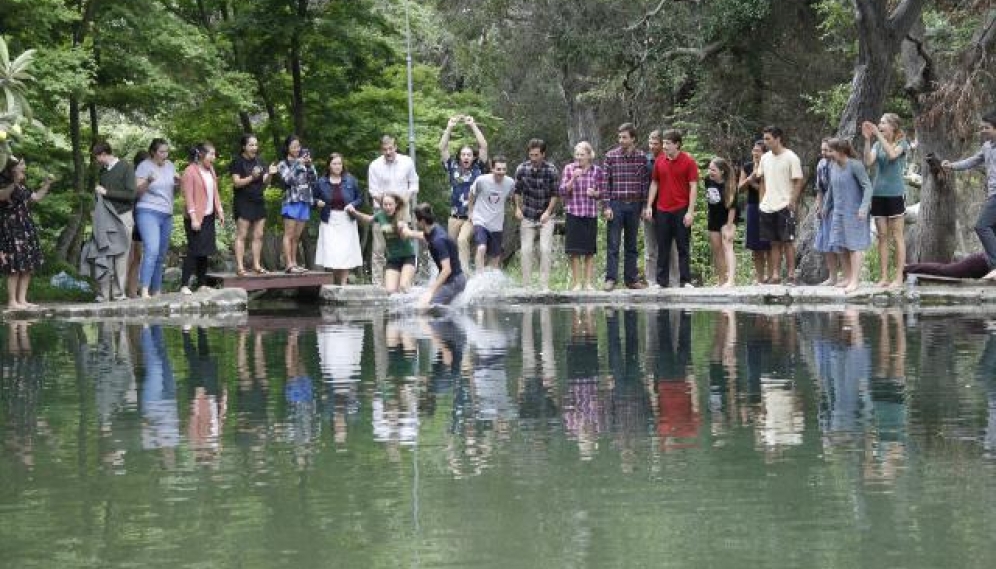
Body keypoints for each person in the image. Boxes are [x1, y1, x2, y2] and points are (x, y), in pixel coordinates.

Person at [942, 109, 996, 280]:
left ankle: (995, 263)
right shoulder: (987, 147)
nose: (983, 131)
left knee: (981, 226)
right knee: (992, 230)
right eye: (981, 128)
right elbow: (972, 161)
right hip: (992, 193)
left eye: (986, 128)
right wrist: (952, 166)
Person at [643, 129, 698, 288]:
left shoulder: (688, 161)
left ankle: (685, 280)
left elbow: (693, 187)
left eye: (668, 143)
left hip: (681, 208)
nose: (664, 146)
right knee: (663, 246)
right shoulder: (660, 161)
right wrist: (649, 206)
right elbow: (655, 183)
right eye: (664, 143)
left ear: (677, 144)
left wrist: (690, 211)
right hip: (662, 209)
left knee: (683, 246)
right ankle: (662, 281)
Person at [862, 113, 912, 287]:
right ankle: (883, 277)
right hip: (878, 195)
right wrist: (868, 140)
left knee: (897, 235)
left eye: (882, 123)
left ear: (893, 126)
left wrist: (877, 134)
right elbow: (868, 162)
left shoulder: (902, 144)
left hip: (896, 194)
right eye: (879, 122)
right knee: (882, 236)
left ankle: (898, 277)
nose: (879, 125)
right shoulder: (877, 144)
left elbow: (892, 155)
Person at [753, 126, 803, 285]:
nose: (765, 142)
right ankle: (775, 275)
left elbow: (798, 180)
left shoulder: (791, 157)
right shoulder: (765, 158)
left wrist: (793, 200)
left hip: (785, 205)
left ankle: (791, 275)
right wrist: (762, 201)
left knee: (788, 241)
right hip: (768, 205)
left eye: (768, 139)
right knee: (773, 242)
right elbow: (762, 180)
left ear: (778, 138)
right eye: (765, 138)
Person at [0, 157, 52, 310]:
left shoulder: (23, 186)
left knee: (27, 265)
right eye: (21, 164)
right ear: (12, 168)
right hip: (11, 228)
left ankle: (22, 300)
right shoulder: (5, 184)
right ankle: (12, 301)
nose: (25, 166)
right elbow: (2, 196)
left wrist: (46, 185)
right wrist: (14, 182)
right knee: (15, 266)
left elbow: (35, 198)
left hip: (25, 227)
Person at [602, 123, 649, 291]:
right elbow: (605, 184)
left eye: (624, 137)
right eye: (619, 137)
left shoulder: (641, 157)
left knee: (632, 244)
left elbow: (644, 184)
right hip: (616, 204)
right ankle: (611, 279)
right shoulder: (611, 156)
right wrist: (606, 206)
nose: (621, 140)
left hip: (635, 204)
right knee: (613, 243)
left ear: (633, 138)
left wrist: (644, 206)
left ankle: (631, 279)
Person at [368, 135, 419, 286]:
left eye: (391, 148)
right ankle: (377, 285)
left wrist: (403, 202)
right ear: (381, 150)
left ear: (395, 147)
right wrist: (387, 206)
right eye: (385, 149)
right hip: (381, 210)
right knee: (379, 250)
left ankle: (407, 284)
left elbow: (414, 184)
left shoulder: (407, 161)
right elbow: (373, 191)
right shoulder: (375, 165)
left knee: (404, 246)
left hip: (402, 210)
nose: (388, 152)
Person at [439, 115, 488, 271]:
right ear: (459, 157)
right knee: (451, 248)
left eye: (469, 154)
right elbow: (442, 148)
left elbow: (483, 146)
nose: (466, 157)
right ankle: (450, 276)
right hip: (454, 216)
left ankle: (465, 274)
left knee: (462, 240)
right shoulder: (452, 166)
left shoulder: (478, 168)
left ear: (473, 157)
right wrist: (449, 127)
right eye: (463, 154)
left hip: (471, 216)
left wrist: (473, 126)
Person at [90, 141, 137, 302]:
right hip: (106, 218)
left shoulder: (126, 167)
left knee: (121, 255)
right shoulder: (103, 172)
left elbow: (131, 194)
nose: (97, 161)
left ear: (104, 154)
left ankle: (118, 294)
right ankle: (103, 294)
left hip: (123, 216)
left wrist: (107, 192)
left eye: (97, 157)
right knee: (104, 253)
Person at [826, 137, 873, 293]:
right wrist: (826, 207)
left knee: (854, 246)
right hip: (838, 211)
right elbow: (831, 189)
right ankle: (847, 277)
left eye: (831, 151)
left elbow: (867, 187)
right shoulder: (833, 166)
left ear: (840, 151)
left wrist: (864, 207)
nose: (828, 154)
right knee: (841, 245)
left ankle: (855, 281)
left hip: (855, 211)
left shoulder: (855, 165)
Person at [179, 142, 226, 294]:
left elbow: (215, 193)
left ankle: (201, 283)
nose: (213, 158)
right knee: (194, 250)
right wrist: (193, 218)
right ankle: (184, 285)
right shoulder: (189, 171)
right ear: (201, 155)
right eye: (211, 154)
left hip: (209, 215)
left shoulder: (211, 170)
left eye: (214, 154)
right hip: (195, 216)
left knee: (205, 250)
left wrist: (220, 210)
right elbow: (188, 197)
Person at [513, 139, 559, 290]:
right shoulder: (522, 169)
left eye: (536, 155)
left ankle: (544, 285)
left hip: (546, 214)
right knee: (526, 250)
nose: (533, 158)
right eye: (531, 154)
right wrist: (518, 209)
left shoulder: (551, 170)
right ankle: (527, 285)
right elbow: (517, 192)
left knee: (545, 249)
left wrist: (547, 212)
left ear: (543, 154)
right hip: (528, 213)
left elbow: (555, 194)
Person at [347, 193, 416, 294]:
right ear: (382, 205)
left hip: (408, 257)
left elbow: (406, 231)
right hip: (393, 259)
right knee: (390, 291)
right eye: (385, 204)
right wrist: (354, 212)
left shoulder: (402, 215)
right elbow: (368, 219)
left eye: (390, 204)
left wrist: (402, 229)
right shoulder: (380, 215)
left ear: (396, 204)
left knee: (403, 287)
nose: (388, 207)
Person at [134, 139, 177, 298]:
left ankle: (156, 290)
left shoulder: (170, 165)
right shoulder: (144, 166)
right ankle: (144, 289)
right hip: (147, 210)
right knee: (151, 249)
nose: (165, 155)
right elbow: (137, 191)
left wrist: (178, 184)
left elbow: (172, 192)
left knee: (161, 253)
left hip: (166, 213)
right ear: (153, 152)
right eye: (161, 152)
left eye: (167, 152)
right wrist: (148, 181)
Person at [230, 134, 277, 276]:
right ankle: (240, 267)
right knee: (242, 235)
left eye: (256, 145)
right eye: (251, 145)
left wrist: (270, 174)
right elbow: (236, 183)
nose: (254, 148)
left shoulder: (260, 160)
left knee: (259, 235)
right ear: (244, 146)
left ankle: (257, 265)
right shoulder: (237, 162)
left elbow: (266, 182)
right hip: (243, 200)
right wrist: (252, 177)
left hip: (258, 200)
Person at [560, 141, 604, 291]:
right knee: (574, 251)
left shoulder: (597, 171)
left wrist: (595, 193)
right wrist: (573, 179)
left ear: (589, 155)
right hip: (573, 213)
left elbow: (603, 193)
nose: (579, 157)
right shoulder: (569, 168)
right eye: (577, 154)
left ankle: (589, 283)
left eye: (582, 155)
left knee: (589, 251)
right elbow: (562, 191)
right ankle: (577, 283)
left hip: (590, 214)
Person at [314, 153, 363, 284]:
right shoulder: (321, 182)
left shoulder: (351, 180)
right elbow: (312, 199)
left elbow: (360, 198)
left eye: (339, 164)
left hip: (346, 219)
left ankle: (343, 283)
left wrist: (353, 204)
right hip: (329, 219)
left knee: (345, 252)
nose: (337, 166)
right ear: (329, 166)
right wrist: (317, 202)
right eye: (334, 164)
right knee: (333, 253)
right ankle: (335, 281)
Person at [277, 135, 317, 274]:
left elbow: (314, 179)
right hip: (291, 201)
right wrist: (297, 165)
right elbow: (288, 180)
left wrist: (309, 165)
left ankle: (294, 263)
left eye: (298, 146)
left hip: (305, 200)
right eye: (293, 146)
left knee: (297, 236)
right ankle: (288, 264)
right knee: (288, 234)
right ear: (287, 148)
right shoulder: (283, 164)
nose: (296, 149)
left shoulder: (304, 162)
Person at [413, 202, 465, 307]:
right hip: (451, 279)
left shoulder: (438, 240)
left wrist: (430, 292)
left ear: (422, 221)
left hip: (454, 282)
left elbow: (447, 270)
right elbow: (424, 235)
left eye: (415, 219)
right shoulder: (432, 229)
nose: (414, 221)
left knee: (424, 306)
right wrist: (408, 233)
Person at [468, 155, 515, 270]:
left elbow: (513, 197)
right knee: (481, 248)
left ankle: (492, 279)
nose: (501, 172)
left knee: (495, 256)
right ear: (492, 169)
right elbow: (471, 194)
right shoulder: (482, 180)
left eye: (504, 169)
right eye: (498, 169)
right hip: (481, 219)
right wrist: (470, 211)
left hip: (496, 223)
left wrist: (516, 208)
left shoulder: (510, 183)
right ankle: (479, 277)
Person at [738, 139, 770, 283]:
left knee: (768, 244)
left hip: (768, 206)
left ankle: (771, 275)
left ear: (764, 153)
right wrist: (750, 179)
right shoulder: (747, 166)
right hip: (752, 206)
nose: (755, 153)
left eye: (758, 151)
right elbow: (739, 188)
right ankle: (759, 277)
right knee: (755, 245)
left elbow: (767, 190)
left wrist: (754, 183)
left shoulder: (769, 166)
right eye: (754, 150)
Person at [705, 156, 739, 287]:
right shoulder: (708, 180)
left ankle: (731, 280)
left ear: (721, 172)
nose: (710, 172)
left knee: (728, 246)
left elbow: (733, 208)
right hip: (713, 218)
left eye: (713, 170)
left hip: (728, 218)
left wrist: (729, 227)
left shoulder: (729, 184)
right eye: (709, 169)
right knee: (717, 250)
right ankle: (721, 280)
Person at [813, 139, 843, 285]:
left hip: (839, 206)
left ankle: (846, 275)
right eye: (822, 150)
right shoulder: (821, 164)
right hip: (825, 206)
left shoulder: (839, 164)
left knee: (840, 242)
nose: (824, 153)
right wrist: (819, 206)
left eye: (827, 150)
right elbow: (819, 188)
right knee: (826, 243)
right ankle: (832, 277)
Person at [126, 150, 148, 298]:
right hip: (131, 217)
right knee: (129, 256)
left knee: (138, 256)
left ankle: (133, 292)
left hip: (142, 218)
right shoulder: (133, 177)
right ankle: (121, 290)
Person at [904, 252, 989, 280]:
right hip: (978, 263)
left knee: (944, 269)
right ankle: (907, 268)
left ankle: (909, 267)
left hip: (983, 261)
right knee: (943, 270)